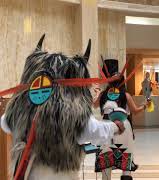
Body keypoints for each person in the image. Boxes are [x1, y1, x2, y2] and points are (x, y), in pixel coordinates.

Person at [0, 35, 125, 179]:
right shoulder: (73, 113)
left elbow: (5, 123)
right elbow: (92, 130)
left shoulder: (17, 111)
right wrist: (114, 127)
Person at [95, 59, 150, 180]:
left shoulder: (103, 95)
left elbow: (93, 105)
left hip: (106, 127)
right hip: (123, 128)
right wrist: (145, 106)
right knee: (125, 159)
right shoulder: (126, 95)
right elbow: (135, 111)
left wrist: (97, 93)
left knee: (106, 159)